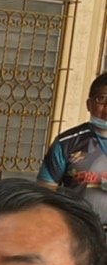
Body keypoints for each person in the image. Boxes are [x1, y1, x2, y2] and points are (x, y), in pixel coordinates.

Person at [40, 70, 107, 226]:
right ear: (89, 104)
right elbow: (45, 192)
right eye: (102, 99)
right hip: (78, 230)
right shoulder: (66, 143)